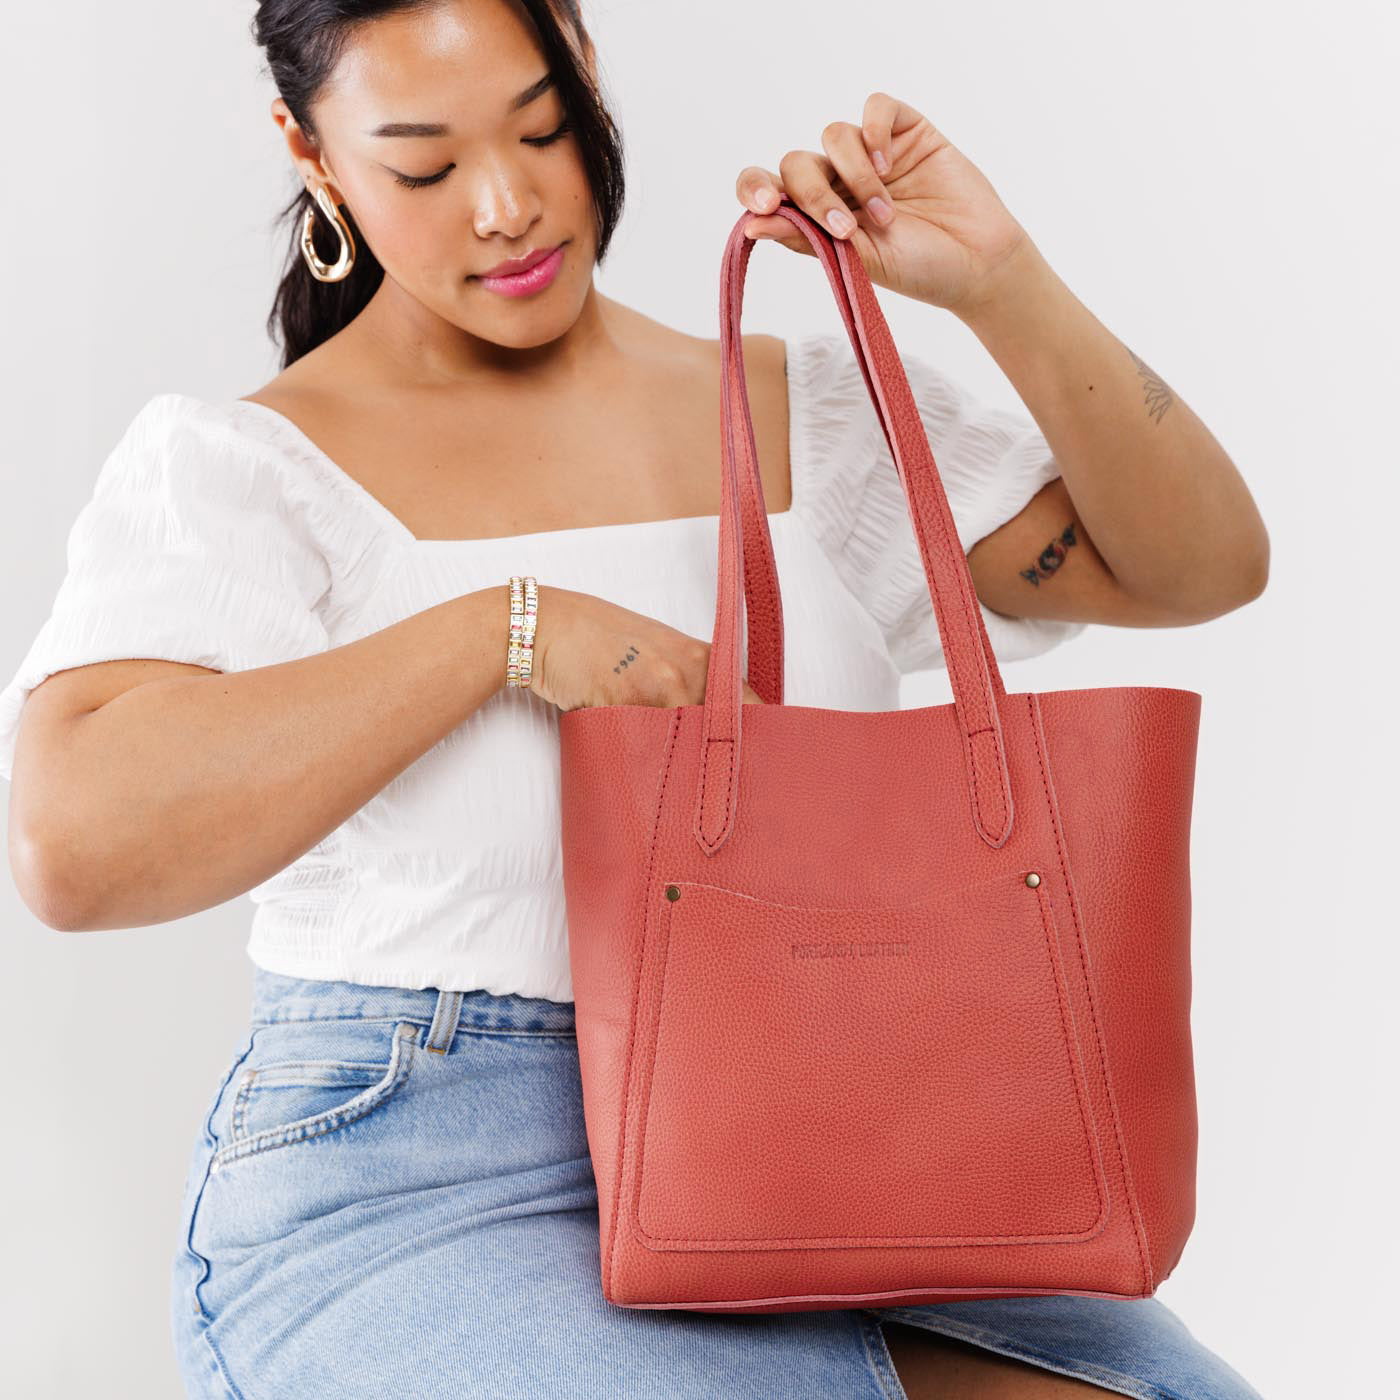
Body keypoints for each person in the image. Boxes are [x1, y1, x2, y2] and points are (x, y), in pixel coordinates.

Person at [0, 2, 1271, 1397]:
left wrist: (1000, 281)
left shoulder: (802, 418)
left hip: (843, 1132)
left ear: (586, 71)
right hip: (431, 1165)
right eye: (425, 166)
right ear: (313, 155)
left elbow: (1199, 566)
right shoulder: (249, 468)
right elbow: (71, 847)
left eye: (541, 128)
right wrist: (502, 633)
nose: (505, 205)